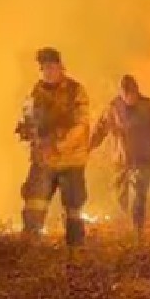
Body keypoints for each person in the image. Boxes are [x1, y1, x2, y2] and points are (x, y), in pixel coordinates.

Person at [15, 47, 90, 246]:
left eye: (50, 66)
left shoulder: (76, 91)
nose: (47, 71)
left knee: (73, 207)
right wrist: (25, 129)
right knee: (34, 203)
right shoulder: (36, 92)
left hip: (70, 160)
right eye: (43, 67)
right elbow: (29, 116)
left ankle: (75, 251)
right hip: (43, 160)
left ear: (60, 67)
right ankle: (30, 248)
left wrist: (58, 146)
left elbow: (81, 126)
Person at [89, 74, 150, 240]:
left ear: (137, 91)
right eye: (126, 94)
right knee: (120, 197)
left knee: (139, 195)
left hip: (144, 158)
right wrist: (88, 147)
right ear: (121, 93)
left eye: (132, 94)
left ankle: (137, 231)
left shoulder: (148, 107)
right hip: (121, 161)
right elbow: (100, 129)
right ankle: (130, 221)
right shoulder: (112, 108)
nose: (130, 98)